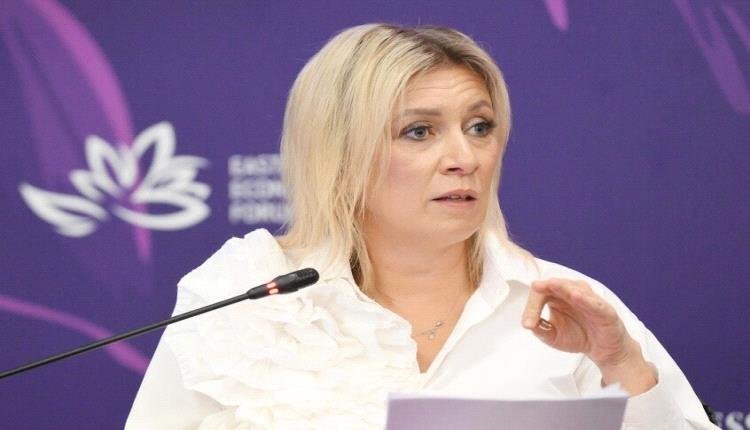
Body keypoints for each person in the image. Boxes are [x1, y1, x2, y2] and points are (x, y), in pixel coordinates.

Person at [125, 24, 718, 429]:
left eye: (480, 127)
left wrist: (623, 366)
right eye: (419, 131)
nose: (464, 157)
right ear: (340, 154)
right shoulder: (247, 298)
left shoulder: (570, 305)